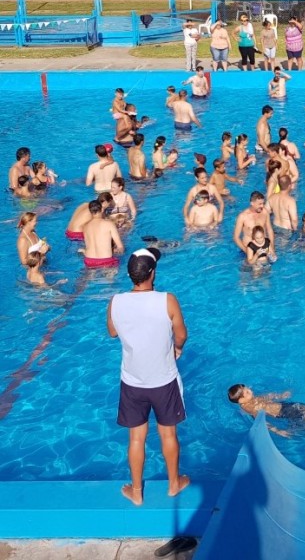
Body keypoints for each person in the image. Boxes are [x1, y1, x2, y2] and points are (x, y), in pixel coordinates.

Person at [107, 248, 189, 506]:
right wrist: (177, 348)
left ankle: (137, 491)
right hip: (163, 380)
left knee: (135, 438)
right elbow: (182, 335)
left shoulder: (116, 301)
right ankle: (174, 485)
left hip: (132, 381)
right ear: (152, 273)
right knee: (168, 435)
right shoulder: (167, 300)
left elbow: (112, 332)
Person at [227, 384, 305, 434]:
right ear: (241, 400)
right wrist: (277, 431)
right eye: (247, 392)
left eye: (247, 388)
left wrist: (280, 396)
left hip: (281, 406)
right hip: (282, 411)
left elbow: (264, 398)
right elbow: (262, 422)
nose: (250, 390)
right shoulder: (251, 409)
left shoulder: (245, 404)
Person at [82, 200, 124, 268]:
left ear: (90, 211)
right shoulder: (109, 224)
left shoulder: (85, 226)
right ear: (102, 209)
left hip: (89, 261)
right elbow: (120, 247)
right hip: (106, 261)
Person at [233, 191, 275, 256]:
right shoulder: (243, 216)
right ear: (252, 203)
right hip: (249, 249)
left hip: (264, 247)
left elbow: (269, 230)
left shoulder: (265, 212)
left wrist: (272, 247)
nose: (262, 206)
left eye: (263, 203)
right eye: (260, 204)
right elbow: (236, 237)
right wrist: (247, 251)